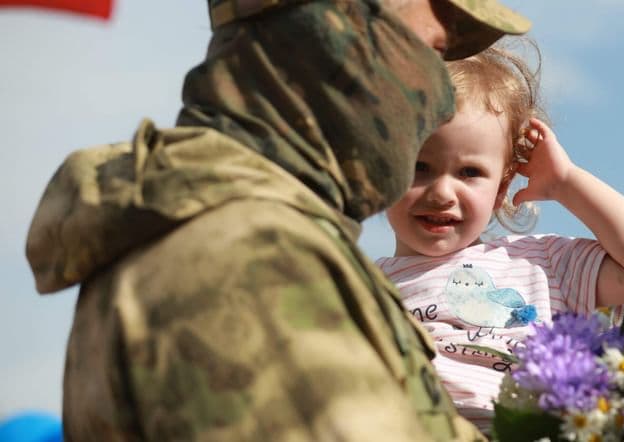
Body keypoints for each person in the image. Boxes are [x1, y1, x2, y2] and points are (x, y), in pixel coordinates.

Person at [24, 0, 531, 440]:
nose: (440, 99)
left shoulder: (234, 228)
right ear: (332, 32)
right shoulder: (244, 257)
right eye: (432, 52)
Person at [375, 45, 624, 433]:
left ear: (503, 186)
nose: (442, 192)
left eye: (470, 172)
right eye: (419, 167)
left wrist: (565, 183)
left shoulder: (542, 263)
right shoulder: (361, 285)